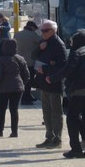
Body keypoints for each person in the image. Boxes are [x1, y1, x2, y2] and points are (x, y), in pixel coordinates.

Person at [48, 29, 85, 158]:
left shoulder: (76, 53)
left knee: (72, 119)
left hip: (79, 91)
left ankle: (76, 149)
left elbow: (67, 70)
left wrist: (52, 78)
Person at [33, 20, 66, 149]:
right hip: (44, 83)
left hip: (54, 83)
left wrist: (45, 70)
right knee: (46, 112)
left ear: (53, 31)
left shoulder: (59, 45)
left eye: (45, 31)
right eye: (41, 30)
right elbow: (33, 55)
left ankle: (57, 139)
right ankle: (49, 137)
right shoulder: (44, 42)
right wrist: (39, 48)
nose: (42, 33)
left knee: (56, 113)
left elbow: (62, 66)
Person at [0, 37, 30, 138]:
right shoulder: (20, 59)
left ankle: (0, 130)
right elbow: (26, 75)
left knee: (2, 109)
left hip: (3, 88)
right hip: (17, 87)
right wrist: (22, 83)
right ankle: (14, 131)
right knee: (14, 110)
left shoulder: (2, 60)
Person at [14, 20, 40, 104]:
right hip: (29, 62)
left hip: (18, 61)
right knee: (29, 80)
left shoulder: (17, 34)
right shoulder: (33, 35)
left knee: (22, 79)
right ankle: (26, 98)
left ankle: (27, 96)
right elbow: (42, 41)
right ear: (32, 27)